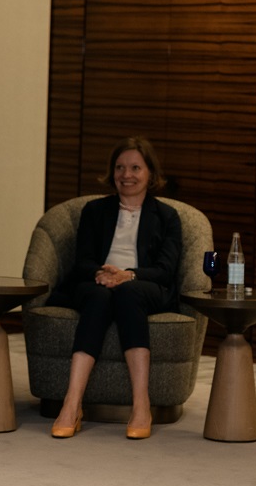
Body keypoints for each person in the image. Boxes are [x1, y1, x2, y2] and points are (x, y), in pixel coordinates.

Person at [46, 135, 181, 440]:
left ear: (150, 173)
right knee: (99, 296)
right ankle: (71, 405)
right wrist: (101, 273)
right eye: (120, 167)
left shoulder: (166, 216)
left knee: (127, 293)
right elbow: (82, 260)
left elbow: (165, 270)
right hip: (97, 282)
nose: (126, 174)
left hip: (142, 286)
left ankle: (141, 406)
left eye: (135, 168)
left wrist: (128, 276)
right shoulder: (94, 210)